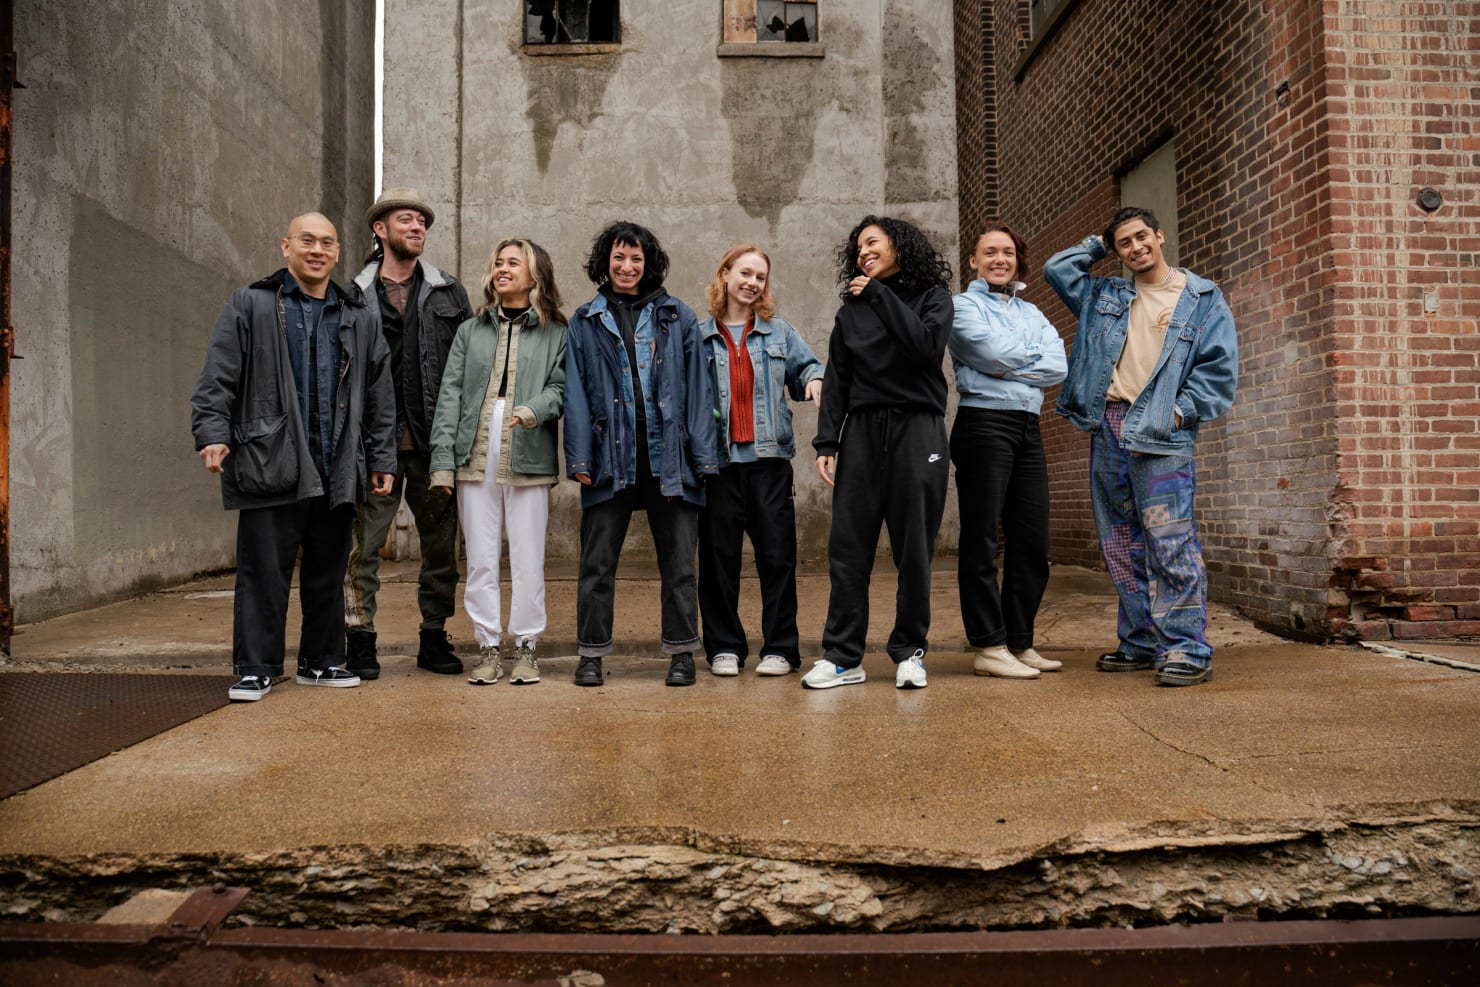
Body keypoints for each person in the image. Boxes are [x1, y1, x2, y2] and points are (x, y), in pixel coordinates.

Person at [191, 212, 395, 702]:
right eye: (307, 241)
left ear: (338, 252)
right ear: (286, 246)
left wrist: (381, 458)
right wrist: (212, 433)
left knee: (328, 572)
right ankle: (256, 667)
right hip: (270, 458)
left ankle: (321, 661)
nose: (317, 250)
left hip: (336, 462)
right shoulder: (251, 304)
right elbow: (218, 376)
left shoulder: (357, 315)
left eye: (327, 243)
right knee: (263, 571)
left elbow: (379, 394)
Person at [1044, 206, 1238, 687]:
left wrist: (1178, 412)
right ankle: (1142, 640)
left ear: (1159, 235)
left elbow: (1218, 370)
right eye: (1124, 243)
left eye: (1141, 237)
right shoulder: (1104, 295)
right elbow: (1057, 270)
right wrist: (1098, 244)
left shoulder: (1201, 298)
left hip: (1161, 430)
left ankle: (1187, 647)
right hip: (1108, 425)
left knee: (1169, 540)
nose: (1135, 248)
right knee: (1119, 541)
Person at [564, 221, 719, 687]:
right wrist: (580, 458)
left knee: (679, 564)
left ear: (648, 263)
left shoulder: (677, 316)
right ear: (605, 261)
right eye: (619, 257)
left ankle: (682, 653)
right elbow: (575, 392)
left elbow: (698, 390)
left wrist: (702, 457)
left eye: (636, 258)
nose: (627, 266)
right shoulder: (585, 320)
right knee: (597, 564)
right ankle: (591, 654)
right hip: (610, 457)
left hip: (669, 457)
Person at [805, 216, 954, 691]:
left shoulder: (933, 298)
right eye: (858, 248)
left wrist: (878, 294)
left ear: (900, 246)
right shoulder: (850, 313)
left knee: (914, 549)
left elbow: (923, 348)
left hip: (918, 429)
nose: (863, 252)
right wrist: (827, 441)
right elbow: (838, 379)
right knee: (848, 550)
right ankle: (843, 657)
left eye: (873, 242)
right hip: (862, 433)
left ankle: (910, 652)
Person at [342, 188, 474, 679]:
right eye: (406, 219)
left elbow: (468, 369)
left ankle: (434, 637)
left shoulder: (449, 292)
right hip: (372, 446)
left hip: (433, 444)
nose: (417, 227)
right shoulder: (352, 295)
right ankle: (360, 639)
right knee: (362, 549)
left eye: (422, 221)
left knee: (441, 549)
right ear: (380, 230)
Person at [429, 239, 567, 686]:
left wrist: (534, 409)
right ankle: (487, 647)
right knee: (481, 559)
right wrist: (442, 463)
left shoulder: (557, 331)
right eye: (498, 263)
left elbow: (562, 388)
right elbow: (449, 397)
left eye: (513, 263)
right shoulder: (471, 331)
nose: (502, 269)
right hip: (474, 451)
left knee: (528, 558)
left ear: (535, 275)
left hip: (529, 448)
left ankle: (526, 647)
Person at [698, 245, 824, 678]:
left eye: (760, 277)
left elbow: (808, 368)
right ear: (725, 274)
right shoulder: (699, 335)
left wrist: (815, 380)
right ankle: (724, 647)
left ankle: (781, 649)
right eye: (745, 273)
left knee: (777, 558)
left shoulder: (778, 332)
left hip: (769, 463)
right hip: (717, 466)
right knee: (718, 561)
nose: (752, 283)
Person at [950, 224, 1067, 680]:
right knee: (982, 540)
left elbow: (1057, 365)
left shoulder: (1032, 311)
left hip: (1027, 426)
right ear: (974, 261)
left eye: (1009, 252)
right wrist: (1025, 358)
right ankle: (988, 645)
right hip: (983, 424)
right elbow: (989, 353)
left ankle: (1019, 640)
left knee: (1032, 541)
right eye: (990, 252)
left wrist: (1008, 364)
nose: (1001, 259)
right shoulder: (962, 306)